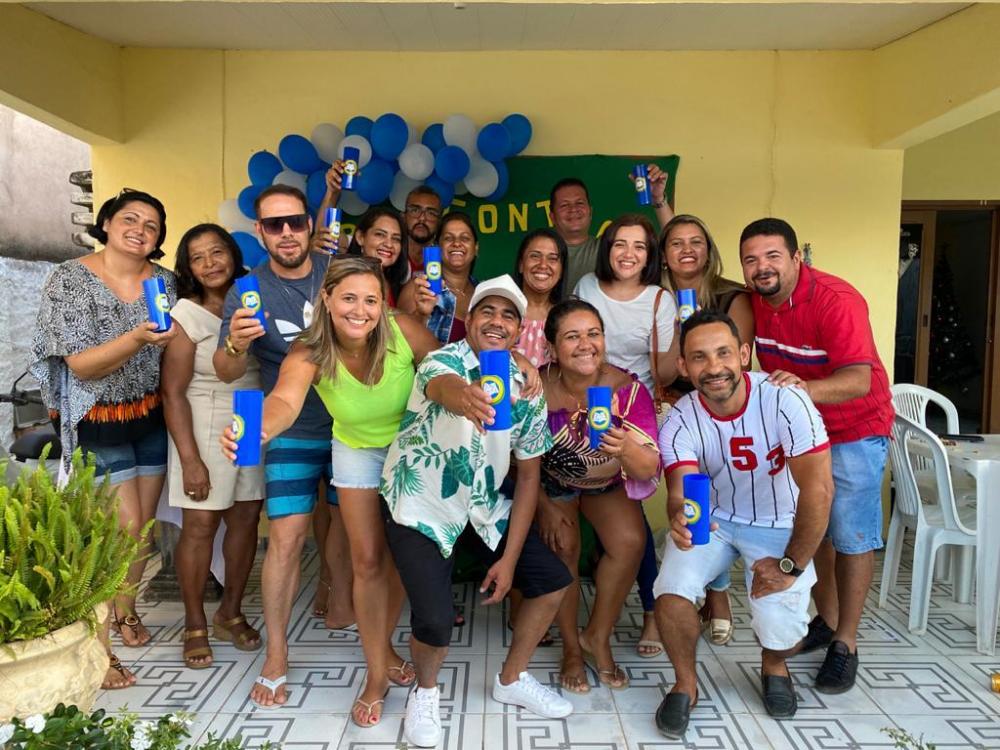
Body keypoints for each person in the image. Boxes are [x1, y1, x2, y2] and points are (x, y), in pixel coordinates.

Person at [222, 256, 439, 724]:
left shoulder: (404, 330)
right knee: (365, 562)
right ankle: (375, 674)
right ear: (326, 298)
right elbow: (284, 399)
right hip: (356, 449)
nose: (359, 310)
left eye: (370, 299)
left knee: (402, 557)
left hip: (409, 450)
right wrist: (258, 428)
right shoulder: (309, 348)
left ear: (383, 303)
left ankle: (384, 651)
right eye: (348, 298)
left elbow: (445, 371)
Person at [382, 276, 574, 747]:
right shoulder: (444, 360)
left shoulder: (525, 388)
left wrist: (508, 560)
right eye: (488, 311)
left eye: (509, 315)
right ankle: (424, 693)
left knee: (552, 582)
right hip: (423, 502)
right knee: (435, 619)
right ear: (471, 321)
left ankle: (512, 679)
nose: (497, 321)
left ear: (519, 330)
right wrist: (465, 397)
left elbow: (528, 475)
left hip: (483, 504)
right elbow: (440, 386)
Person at [653, 310, 833, 737]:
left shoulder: (785, 398)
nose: (713, 368)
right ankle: (685, 683)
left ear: (744, 354)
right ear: (683, 366)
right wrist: (678, 516)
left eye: (723, 354)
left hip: (779, 525)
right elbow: (679, 488)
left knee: (783, 630)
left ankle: (775, 665)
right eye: (698, 357)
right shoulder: (680, 416)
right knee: (671, 591)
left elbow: (819, 491)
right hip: (715, 522)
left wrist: (790, 565)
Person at [213, 184, 353, 708]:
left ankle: (347, 610)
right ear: (260, 232)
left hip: (350, 427)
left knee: (350, 532)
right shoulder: (245, 290)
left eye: (295, 221)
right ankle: (276, 654)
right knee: (288, 539)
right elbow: (225, 370)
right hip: (285, 426)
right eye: (275, 225)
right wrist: (235, 342)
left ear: (310, 225)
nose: (288, 232)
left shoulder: (336, 276)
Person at [739, 217, 893, 693]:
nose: (761, 267)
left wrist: (804, 389)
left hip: (854, 431)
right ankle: (825, 621)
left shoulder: (835, 299)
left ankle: (846, 643)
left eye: (772, 256)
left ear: (796, 257)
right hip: (804, 433)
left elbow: (859, 379)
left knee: (852, 536)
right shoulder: (756, 302)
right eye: (751, 259)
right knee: (816, 528)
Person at [31, 188, 177, 690]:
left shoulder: (166, 282)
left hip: (150, 417)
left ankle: (125, 613)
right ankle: (102, 652)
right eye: (129, 218)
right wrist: (137, 336)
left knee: (143, 534)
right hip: (96, 417)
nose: (140, 229)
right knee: (122, 533)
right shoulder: (69, 280)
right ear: (108, 222)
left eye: (152, 225)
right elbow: (80, 364)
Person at [537, 299, 659, 693]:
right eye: (572, 336)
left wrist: (625, 448)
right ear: (553, 348)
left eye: (594, 334)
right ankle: (572, 648)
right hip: (550, 484)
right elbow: (514, 461)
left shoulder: (627, 389)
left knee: (631, 541)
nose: (586, 344)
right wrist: (544, 506)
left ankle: (597, 636)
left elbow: (647, 469)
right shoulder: (535, 385)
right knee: (563, 545)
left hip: (606, 484)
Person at [573, 213, 679, 657]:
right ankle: (603, 600)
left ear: (649, 255)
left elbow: (668, 371)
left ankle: (652, 612)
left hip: (633, 414)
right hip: (581, 407)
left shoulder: (659, 300)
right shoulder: (586, 289)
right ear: (607, 247)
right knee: (597, 510)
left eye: (639, 246)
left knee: (631, 518)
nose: (629, 254)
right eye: (620, 244)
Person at [161, 224, 264, 669]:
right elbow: (172, 392)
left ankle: (230, 612)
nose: (210, 263)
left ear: (232, 253)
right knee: (201, 526)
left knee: (245, 518)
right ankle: (194, 622)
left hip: (254, 413)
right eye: (198, 257)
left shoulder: (251, 297)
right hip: (204, 418)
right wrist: (190, 460)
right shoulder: (186, 314)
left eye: (217, 252)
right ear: (188, 268)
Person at [658, 213, 754, 644]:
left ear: (709, 249)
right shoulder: (659, 298)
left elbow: (738, 365)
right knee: (690, 496)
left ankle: (718, 594)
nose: (686, 250)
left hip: (727, 408)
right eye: (676, 243)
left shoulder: (732, 296)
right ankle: (693, 587)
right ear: (664, 255)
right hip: (677, 409)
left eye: (696, 241)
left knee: (723, 494)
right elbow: (661, 369)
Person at [550, 170, 673, 295]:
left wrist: (658, 199)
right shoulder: (540, 252)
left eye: (579, 203)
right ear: (552, 217)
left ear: (590, 212)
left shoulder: (608, 248)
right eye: (564, 205)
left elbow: (674, 243)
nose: (573, 209)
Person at [398, 211, 478, 345]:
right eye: (448, 238)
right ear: (438, 247)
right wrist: (421, 314)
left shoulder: (483, 293)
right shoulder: (420, 287)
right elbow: (401, 343)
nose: (456, 243)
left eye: (464, 238)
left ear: (476, 248)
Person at [512, 228, 568, 367]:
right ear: (521, 265)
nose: (543, 265)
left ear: (561, 271)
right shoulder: (501, 314)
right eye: (535, 256)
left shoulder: (567, 319)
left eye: (553, 258)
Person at [345, 206, 411, 307]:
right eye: (380, 234)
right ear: (360, 237)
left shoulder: (396, 285)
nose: (389, 244)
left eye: (396, 239)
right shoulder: (344, 279)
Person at [402, 185, 443, 274]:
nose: (422, 218)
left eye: (431, 213)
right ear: (404, 217)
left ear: (439, 221)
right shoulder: (391, 254)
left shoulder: (445, 259)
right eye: (415, 210)